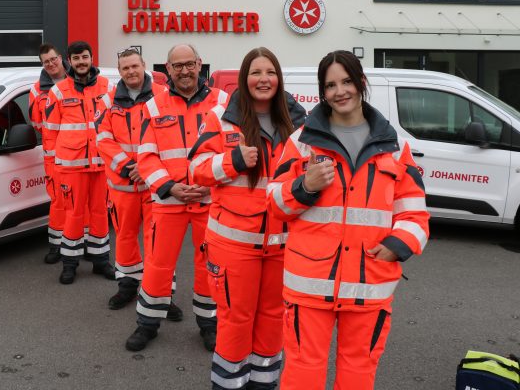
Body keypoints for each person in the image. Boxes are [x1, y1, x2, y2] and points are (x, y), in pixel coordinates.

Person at [268, 50, 430, 390]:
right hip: (309, 285)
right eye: (330, 85)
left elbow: (415, 211)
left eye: (346, 81)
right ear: (323, 93)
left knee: (358, 374)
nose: (340, 91)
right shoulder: (301, 143)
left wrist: (397, 245)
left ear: (361, 83)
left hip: (370, 281)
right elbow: (274, 205)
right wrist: (304, 187)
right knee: (302, 374)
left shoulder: (394, 146)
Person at [189, 48, 305, 390]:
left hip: (283, 246)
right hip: (234, 248)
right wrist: (232, 162)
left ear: (279, 78)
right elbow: (194, 169)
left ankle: (263, 384)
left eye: (270, 72)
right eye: (256, 72)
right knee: (236, 321)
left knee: (272, 321)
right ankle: (227, 385)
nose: (263, 79)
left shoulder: (300, 126)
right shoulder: (220, 120)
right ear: (244, 78)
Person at [126, 43, 229, 352]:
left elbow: (231, 152)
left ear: (200, 64)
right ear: (167, 69)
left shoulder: (223, 103)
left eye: (189, 64)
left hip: (208, 200)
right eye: (177, 65)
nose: (184, 70)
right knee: (158, 264)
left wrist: (210, 184)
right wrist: (170, 187)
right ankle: (147, 324)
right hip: (169, 201)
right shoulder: (153, 106)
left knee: (210, 265)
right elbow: (146, 156)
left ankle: (209, 324)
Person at [95, 47, 166, 310]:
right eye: (125, 68)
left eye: (135, 66)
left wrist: (146, 168)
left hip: (154, 184)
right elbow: (103, 139)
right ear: (120, 71)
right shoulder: (107, 100)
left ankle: (160, 294)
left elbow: (168, 137)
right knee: (125, 236)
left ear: (144, 65)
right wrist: (128, 167)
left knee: (157, 240)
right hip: (123, 185)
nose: (131, 71)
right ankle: (127, 285)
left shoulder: (162, 96)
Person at [44, 41, 116, 284]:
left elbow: (116, 125)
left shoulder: (109, 88)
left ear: (91, 57)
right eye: (76, 58)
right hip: (70, 166)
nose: (81, 62)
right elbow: (50, 132)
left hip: (101, 165)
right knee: (73, 215)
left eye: (85, 57)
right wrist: (53, 167)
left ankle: (101, 261)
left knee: (100, 213)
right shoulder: (58, 91)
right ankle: (70, 263)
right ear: (70, 61)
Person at [29, 43, 70, 264]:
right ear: (42, 64)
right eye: (46, 62)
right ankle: (56, 245)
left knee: (82, 203)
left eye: (53, 59)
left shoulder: (78, 82)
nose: (51, 64)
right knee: (57, 201)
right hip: (53, 155)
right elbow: (36, 123)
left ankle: (81, 245)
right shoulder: (37, 89)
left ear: (61, 58)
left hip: (80, 154)